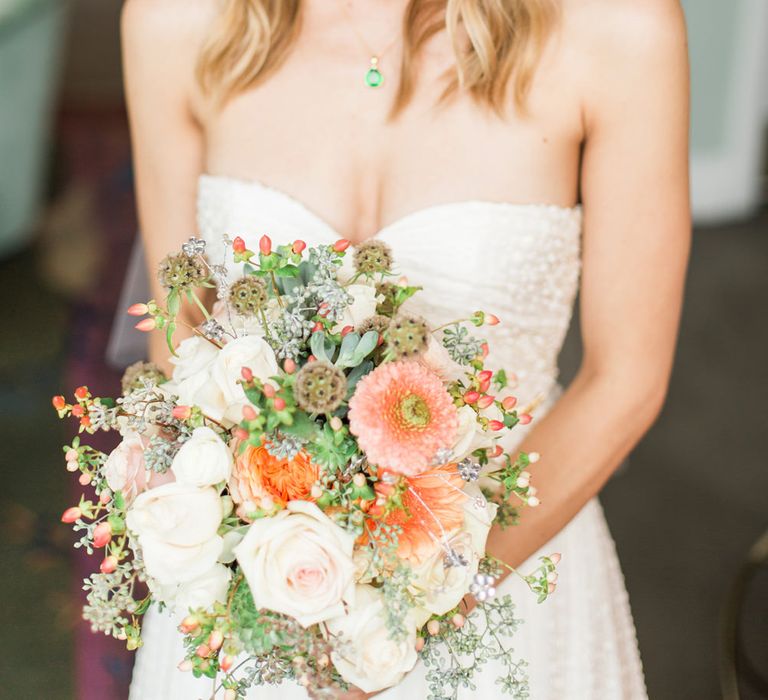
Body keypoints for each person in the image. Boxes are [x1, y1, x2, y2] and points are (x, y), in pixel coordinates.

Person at [121, 0, 690, 697]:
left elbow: (625, 377)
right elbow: (179, 336)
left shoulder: (619, 29)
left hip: (508, 570)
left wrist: (419, 608)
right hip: (264, 602)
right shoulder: (174, 21)